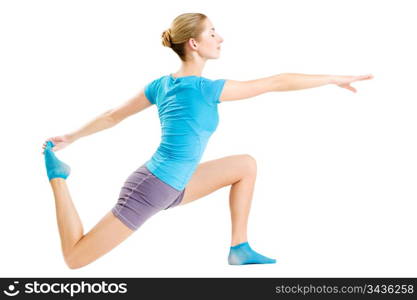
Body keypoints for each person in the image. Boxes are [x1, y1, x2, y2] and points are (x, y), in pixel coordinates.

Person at [42, 12, 374, 270]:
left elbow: (114, 115)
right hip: (151, 189)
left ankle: (239, 248)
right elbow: (276, 82)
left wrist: (72, 135)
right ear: (194, 44)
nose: (221, 38)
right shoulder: (205, 89)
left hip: (173, 184)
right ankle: (58, 178)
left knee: (245, 165)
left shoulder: (162, 84)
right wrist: (332, 78)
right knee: (76, 258)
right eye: (212, 32)